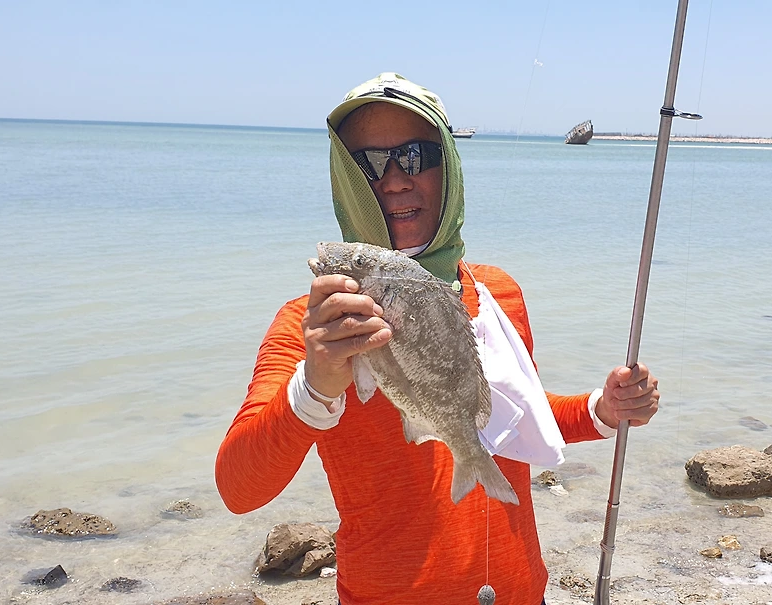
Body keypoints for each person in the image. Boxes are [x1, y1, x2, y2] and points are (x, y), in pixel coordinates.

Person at [215, 73, 660, 605]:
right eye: (369, 164)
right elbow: (239, 490)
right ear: (346, 181)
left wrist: (602, 410)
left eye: (414, 156)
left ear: (447, 165)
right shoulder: (310, 328)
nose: (395, 181)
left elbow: (513, 419)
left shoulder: (497, 294)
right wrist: (315, 385)